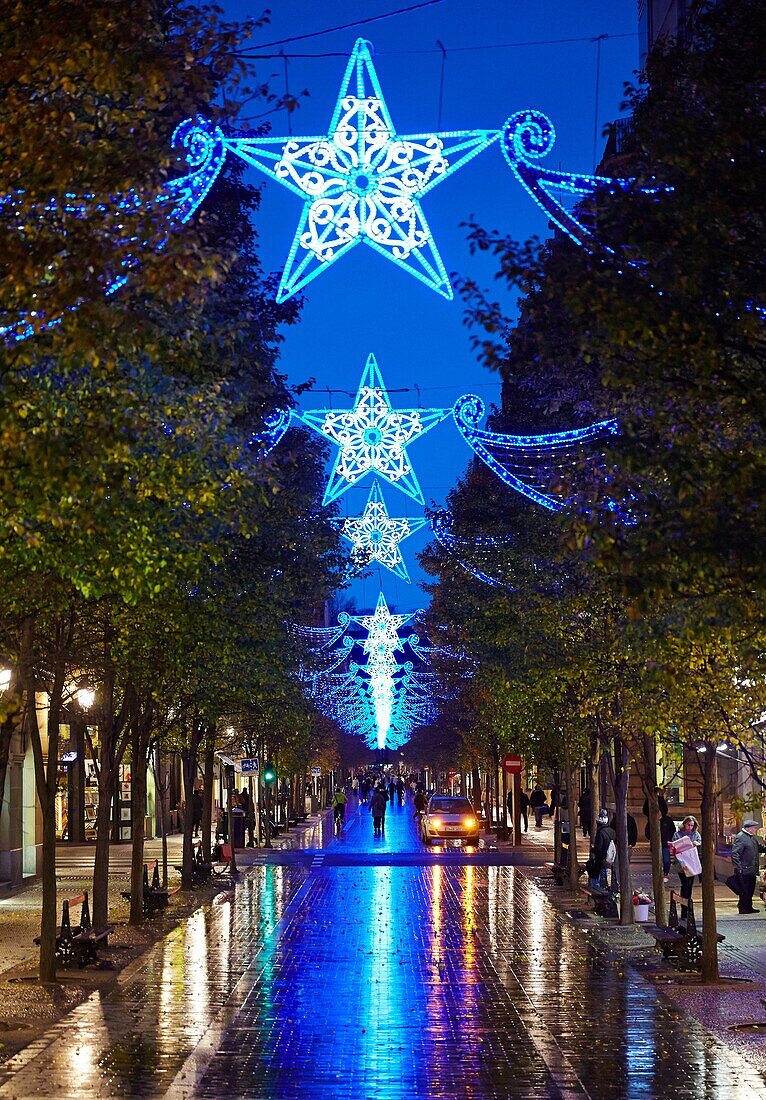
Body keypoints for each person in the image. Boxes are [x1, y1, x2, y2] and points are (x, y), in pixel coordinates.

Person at [732, 819, 766, 915]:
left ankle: (748, 907)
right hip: (744, 869)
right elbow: (735, 853)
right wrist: (739, 868)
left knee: (750, 889)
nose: (755, 829)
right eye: (754, 828)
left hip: (751, 869)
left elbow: (759, 847)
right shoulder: (741, 837)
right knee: (744, 890)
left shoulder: (751, 838)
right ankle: (743, 908)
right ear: (749, 828)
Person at [670, 815, 702, 920]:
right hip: (682, 864)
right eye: (688, 825)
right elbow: (674, 848)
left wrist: (696, 844)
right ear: (684, 824)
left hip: (692, 863)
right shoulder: (677, 834)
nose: (690, 827)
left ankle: (688, 907)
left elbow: (699, 843)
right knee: (685, 885)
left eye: (692, 825)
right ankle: (684, 909)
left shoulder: (695, 834)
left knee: (690, 885)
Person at [589, 808, 617, 890]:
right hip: (611, 859)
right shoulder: (612, 831)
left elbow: (598, 849)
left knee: (598, 880)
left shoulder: (601, 833)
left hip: (602, 860)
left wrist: (593, 849)